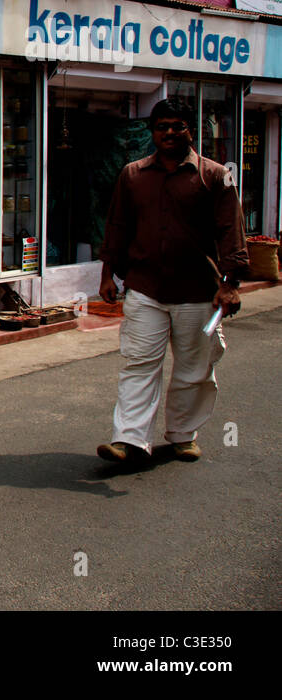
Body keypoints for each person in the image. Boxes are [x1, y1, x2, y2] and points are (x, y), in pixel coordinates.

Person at [96, 99, 246, 464]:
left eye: (177, 126)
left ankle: (182, 435)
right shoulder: (132, 175)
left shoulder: (214, 176)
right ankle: (129, 440)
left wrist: (230, 282)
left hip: (197, 293)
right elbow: (117, 225)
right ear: (153, 132)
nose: (169, 133)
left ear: (190, 130)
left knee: (194, 369)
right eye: (162, 126)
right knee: (138, 363)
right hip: (145, 288)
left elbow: (231, 231)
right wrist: (107, 273)